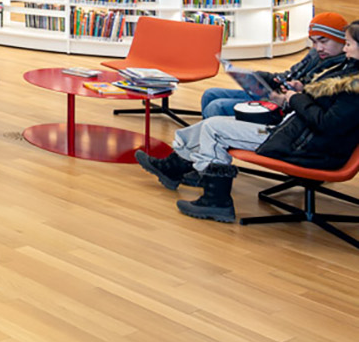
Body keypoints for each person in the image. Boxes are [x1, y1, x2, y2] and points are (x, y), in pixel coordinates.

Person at [135, 20, 359, 223]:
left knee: (214, 128)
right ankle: (173, 168)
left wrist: (296, 99)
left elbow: (328, 123)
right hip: (298, 135)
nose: (345, 48)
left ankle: (216, 200)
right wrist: (302, 92)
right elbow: (327, 107)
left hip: (307, 147)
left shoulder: (354, 85)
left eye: (348, 44)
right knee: (209, 124)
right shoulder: (349, 71)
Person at [200, 12, 349, 117]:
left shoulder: (342, 67)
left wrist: (297, 91)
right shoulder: (315, 54)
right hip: (276, 95)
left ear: (341, 39)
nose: (318, 48)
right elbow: (289, 74)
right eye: (314, 42)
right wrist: (258, 77)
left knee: (217, 107)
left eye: (323, 41)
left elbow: (314, 103)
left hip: (286, 107)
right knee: (210, 94)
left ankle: (215, 143)